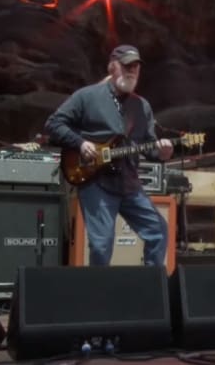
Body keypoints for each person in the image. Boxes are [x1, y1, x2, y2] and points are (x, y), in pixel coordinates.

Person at [44, 45, 173, 267]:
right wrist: (80, 143)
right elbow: (54, 124)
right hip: (97, 181)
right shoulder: (87, 96)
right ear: (112, 67)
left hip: (129, 183)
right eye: (126, 66)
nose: (131, 71)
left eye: (135, 67)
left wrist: (162, 152)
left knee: (158, 231)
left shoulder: (141, 106)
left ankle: (152, 282)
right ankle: (100, 287)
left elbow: (149, 147)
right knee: (101, 245)